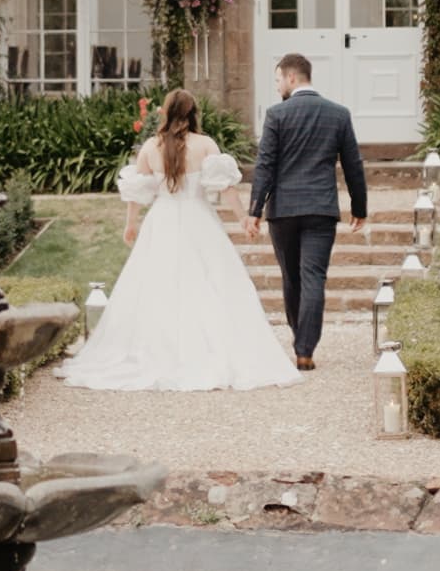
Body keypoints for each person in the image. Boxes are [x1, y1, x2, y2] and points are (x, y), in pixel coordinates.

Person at [56, 89, 301, 391]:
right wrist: (242, 219)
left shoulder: (150, 147)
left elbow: (138, 191)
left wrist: (130, 224)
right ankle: (210, 350)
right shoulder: (206, 145)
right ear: (194, 113)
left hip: (162, 221)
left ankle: (161, 350)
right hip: (200, 220)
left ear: (166, 113)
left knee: (158, 285)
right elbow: (226, 188)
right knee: (210, 283)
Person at [243, 54, 368, 370]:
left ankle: (301, 340)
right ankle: (305, 349)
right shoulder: (338, 114)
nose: (277, 86)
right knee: (314, 277)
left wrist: (254, 209)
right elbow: (353, 164)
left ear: (291, 78)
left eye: (277, 80)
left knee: (292, 278)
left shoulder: (276, 115)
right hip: (321, 208)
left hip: (283, 210)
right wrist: (359, 207)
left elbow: (266, 165)